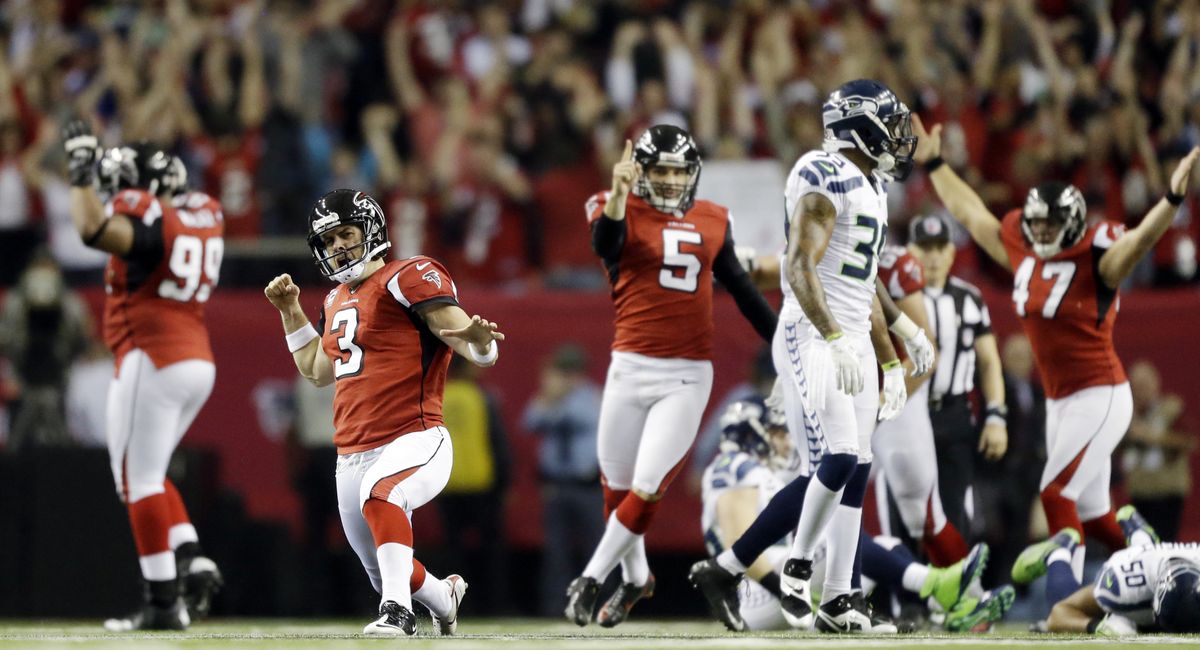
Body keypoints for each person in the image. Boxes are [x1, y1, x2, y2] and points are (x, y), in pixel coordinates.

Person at [911, 115, 1199, 587]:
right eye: (1036, 226)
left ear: (1075, 225)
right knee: (1093, 513)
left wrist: (1169, 200)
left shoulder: (1096, 256)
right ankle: (1167, 571)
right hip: (1061, 399)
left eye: (1051, 227)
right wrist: (937, 164)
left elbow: (1140, 240)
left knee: (1054, 495)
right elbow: (972, 214)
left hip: (1100, 392)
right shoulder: (1023, 249)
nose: (1041, 235)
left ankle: (1065, 605)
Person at [690, 79, 935, 634]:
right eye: (889, 121)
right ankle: (797, 563)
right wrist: (829, 337)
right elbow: (800, 268)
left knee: (857, 468)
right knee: (839, 457)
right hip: (811, 330)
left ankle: (839, 595)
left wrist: (899, 347)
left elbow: (863, 283)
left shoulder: (871, 186)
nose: (899, 134)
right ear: (860, 125)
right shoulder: (821, 173)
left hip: (848, 332)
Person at [565, 124, 778, 627]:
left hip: (685, 374)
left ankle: (591, 578)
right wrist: (618, 197)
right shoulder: (611, 205)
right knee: (616, 490)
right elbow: (606, 244)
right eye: (659, 169)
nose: (669, 179)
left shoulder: (713, 219)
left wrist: (783, 344)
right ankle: (637, 579)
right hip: (630, 366)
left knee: (646, 487)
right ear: (639, 170)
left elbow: (744, 291)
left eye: (678, 170)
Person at [264, 188, 502, 637]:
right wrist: (290, 310)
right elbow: (316, 370)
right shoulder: (334, 299)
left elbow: (461, 336)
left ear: (371, 229)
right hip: (352, 452)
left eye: (345, 234)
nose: (337, 246)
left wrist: (479, 341)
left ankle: (397, 613)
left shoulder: (408, 275)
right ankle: (442, 597)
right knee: (384, 564)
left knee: (383, 498)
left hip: (415, 435)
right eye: (329, 240)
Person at [62, 121, 224, 631]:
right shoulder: (205, 211)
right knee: (144, 473)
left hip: (152, 353)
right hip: (194, 356)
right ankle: (191, 557)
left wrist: (80, 174)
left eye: (122, 186)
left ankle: (161, 602)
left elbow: (92, 230)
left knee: (140, 478)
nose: (114, 196)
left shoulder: (148, 211)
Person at [701, 396, 1011, 633]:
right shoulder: (736, 467)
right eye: (776, 433)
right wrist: (784, 592)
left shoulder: (762, 472)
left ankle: (948, 604)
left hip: (779, 585)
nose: (783, 442)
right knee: (831, 534)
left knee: (887, 547)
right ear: (752, 434)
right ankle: (936, 583)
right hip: (755, 594)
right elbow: (740, 545)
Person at [905, 214, 1008, 538]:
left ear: (951, 252)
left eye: (939, 247)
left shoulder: (969, 298)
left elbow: (989, 361)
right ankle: (909, 588)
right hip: (908, 412)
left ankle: (954, 585)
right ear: (910, 251)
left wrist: (995, 416)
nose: (933, 256)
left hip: (954, 414)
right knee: (907, 513)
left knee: (955, 513)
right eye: (925, 247)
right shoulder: (898, 297)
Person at [871, 242, 971, 566]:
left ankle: (964, 598)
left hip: (887, 395)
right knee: (817, 498)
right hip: (831, 392)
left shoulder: (891, 263)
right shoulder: (802, 251)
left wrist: (885, 399)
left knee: (921, 512)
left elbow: (926, 354)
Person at [521, 344, 604, 617]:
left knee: (598, 550)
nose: (568, 376)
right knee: (556, 553)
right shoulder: (548, 398)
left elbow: (584, 419)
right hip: (556, 485)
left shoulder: (591, 396)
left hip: (589, 485)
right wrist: (550, 398)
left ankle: (600, 605)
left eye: (571, 371)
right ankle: (555, 607)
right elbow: (529, 422)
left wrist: (558, 399)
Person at [1017, 512, 1194, 635]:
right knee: (1064, 606)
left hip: (1156, 559)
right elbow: (1059, 613)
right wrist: (1098, 627)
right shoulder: (1124, 587)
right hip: (1137, 569)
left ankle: (1139, 534)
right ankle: (1058, 553)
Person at [439, 353, 512, 615]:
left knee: (454, 552)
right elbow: (497, 441)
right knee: (491, 551)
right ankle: (494, 605)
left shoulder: (439, 397)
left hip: (447, 483)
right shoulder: (482, 397)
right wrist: (505, 482)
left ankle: (455, 606)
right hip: (482, 483)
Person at [0, 251, 92, 450]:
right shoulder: (14, 302)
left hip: (60, 377)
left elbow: (83, 342)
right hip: (24, 376)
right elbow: (6, 341)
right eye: (38, 268)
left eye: (47, 268)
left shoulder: (71, 303)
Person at [1121, 360, 1194, 542]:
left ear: (1156, 382)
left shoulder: (1171, 408)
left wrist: (1154, 437)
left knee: (1165, 543)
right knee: (1141, 542)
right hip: (1139, 491)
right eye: (1136, 385)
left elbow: (1188, 441)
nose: (1141, 390)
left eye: (1145, 384)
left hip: (1167, 492)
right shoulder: (1126, 413)